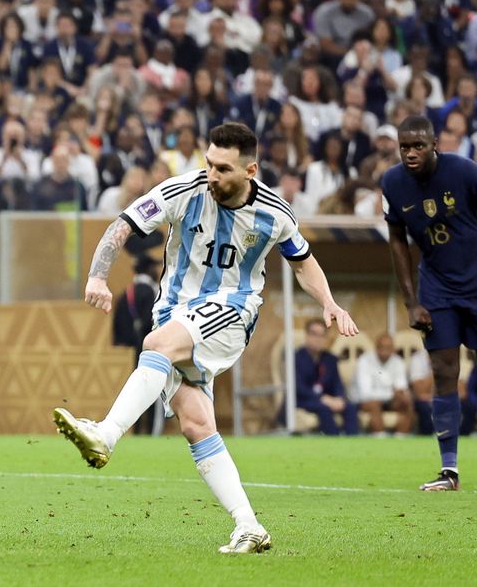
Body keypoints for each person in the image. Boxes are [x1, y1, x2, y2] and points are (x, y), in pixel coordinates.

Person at [53, 122, 357, 554]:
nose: (212, 175)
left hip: (232, 309)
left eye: (223, 169)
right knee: (196, 425)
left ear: (250, 170)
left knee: (155, 346)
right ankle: (249, 525)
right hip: (173, 311)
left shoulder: (274, 212)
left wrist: (329, 302)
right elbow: (123, 225)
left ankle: (107, 434)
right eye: (209, 164)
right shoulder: (183, 190)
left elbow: (303, 261)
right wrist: (97, 276)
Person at [382, 115, 477, 492]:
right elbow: (397, 240)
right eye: (404, 147)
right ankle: (449, 470)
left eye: (418, 146)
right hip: (436, 289)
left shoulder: (464, 171)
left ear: (435, 145)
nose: (411, 153)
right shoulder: (392, 183)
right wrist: (410, 301)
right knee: (444, 371)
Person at [293, 318, 360, 435]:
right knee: (324, 408)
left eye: (322, 335)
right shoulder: (296, 358)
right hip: (304, 400)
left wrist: (339, 398)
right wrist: (321, 398)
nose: (318, 339)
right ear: (307, 336)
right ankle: (333, 441)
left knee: (350, 407)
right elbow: (298, 387)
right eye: (314, 334)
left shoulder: (330, 359)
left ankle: (353, 441)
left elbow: (337, 383)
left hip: (328, 399)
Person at [353, 332, 414, 435]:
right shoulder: (365, 361)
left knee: (406, 402)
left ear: (393, 349)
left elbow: (401, 389)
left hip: (388, 401)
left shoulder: (398, 362)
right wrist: (392, 394)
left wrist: (399, 396)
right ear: (376, 347)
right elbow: (365, 394)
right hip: (362, 401)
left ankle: (401, 437)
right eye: (382, 347)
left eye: (388, 347)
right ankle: (379, 437)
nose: (385, 350)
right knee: (375, 404)